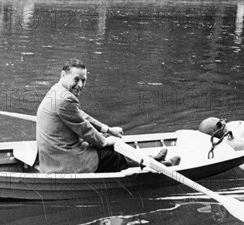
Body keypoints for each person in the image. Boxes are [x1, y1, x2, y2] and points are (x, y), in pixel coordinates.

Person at [36, 58, 179, 173]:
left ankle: (151, 160)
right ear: (63, 75)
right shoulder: (66, 99)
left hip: (54, 155)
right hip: (64, 159)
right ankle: (158, 165)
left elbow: (82, 116)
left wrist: (107, 130)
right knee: (112, 155)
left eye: (83, 80)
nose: (80, 85)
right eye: (76, 79)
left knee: (109, 145)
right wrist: (104, 142)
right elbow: (85, 129)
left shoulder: (57, 90)